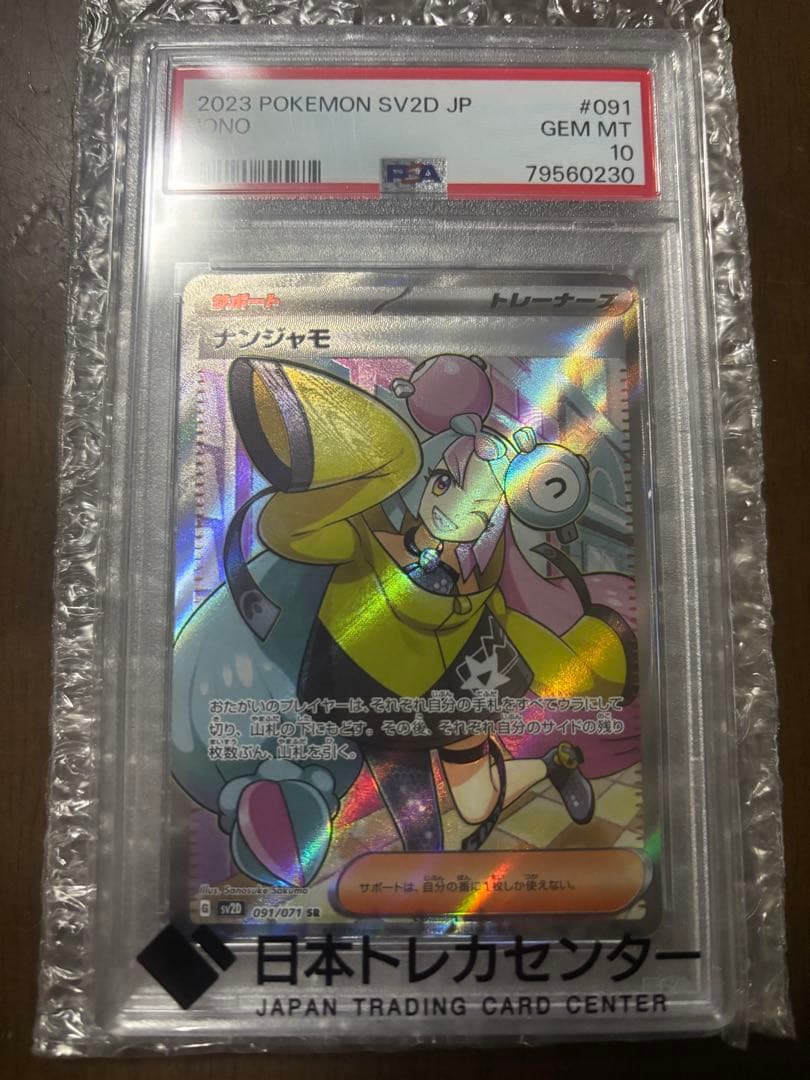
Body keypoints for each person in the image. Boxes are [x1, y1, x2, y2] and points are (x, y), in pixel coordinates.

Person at [201, 353, 637, 886]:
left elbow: (516, 632)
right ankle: (427, 884)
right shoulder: (367, 538)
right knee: (426, 822)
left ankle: (552, 766)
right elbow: (284, 530)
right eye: (446, 480)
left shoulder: (485, 579)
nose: (453, 503)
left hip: (453, 690)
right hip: (374, 695)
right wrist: (382, 462)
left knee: (476, 805)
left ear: (496, 515)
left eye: (480, 503)